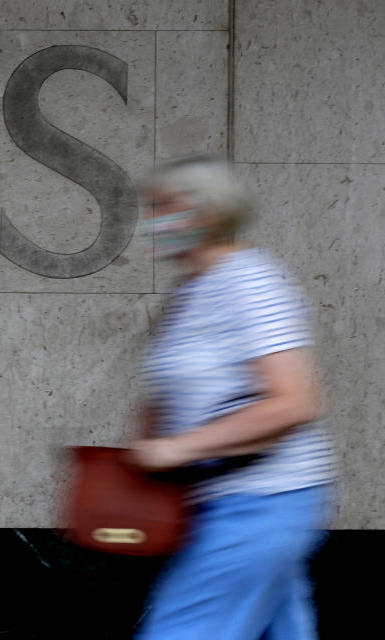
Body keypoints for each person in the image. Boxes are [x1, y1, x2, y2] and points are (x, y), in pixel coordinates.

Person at [131, 154, 337, 640]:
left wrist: (178, 449)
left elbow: (295, 402)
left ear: (208, 211)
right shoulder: (191, 292)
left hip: (262, 501)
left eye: (163, 207)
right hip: (229, 501)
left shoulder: (250, 282)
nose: (152, 222)